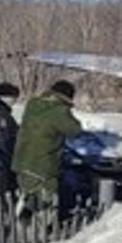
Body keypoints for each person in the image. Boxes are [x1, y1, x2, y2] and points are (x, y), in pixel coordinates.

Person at [13, 80, 82, 212]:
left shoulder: (32, 104)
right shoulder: (59, 111)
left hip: (22, 160)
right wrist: (68, 109)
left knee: (29, 194)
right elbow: (75, 130)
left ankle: (25, 220)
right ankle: (41, 227)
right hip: (43, 165)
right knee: (46, 201)